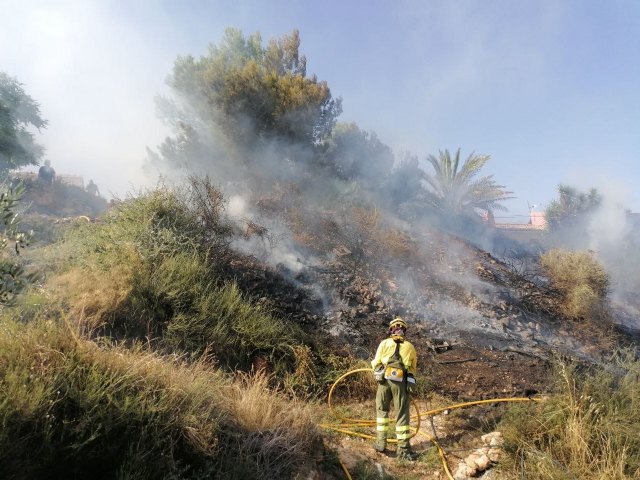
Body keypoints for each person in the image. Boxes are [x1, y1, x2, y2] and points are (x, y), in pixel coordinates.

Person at [371, 317, 419, 460]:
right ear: (404, 331)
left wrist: (379, 372)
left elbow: (376, 362)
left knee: (382, 410)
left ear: (391, 330)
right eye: (397, 328)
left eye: (398, 328)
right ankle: (403, 450)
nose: (398, 330)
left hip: (384, 382)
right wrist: (410, 381)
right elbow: (412, 368)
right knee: (402, 415)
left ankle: (381, 443)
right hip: (400, 383)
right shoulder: (410, 347)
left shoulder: (384, 343)